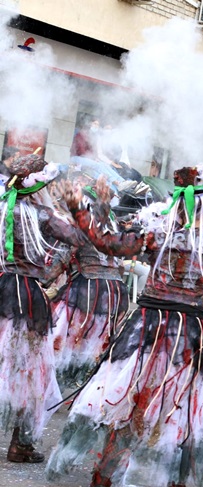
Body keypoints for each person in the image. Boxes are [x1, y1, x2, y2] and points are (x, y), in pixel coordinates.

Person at [46, 167, 203, 487]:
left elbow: (105, 242)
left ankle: (104, 477)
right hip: (181, 333)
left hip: (149, 327)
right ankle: (157, 478)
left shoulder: (158, 234)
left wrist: (78, 208)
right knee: (176, 408)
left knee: (132, 401)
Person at [0, 155, 85, 463]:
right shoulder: (42, 215)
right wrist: (78, 208)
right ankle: (20, 445)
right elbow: (80, 238)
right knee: (29, 371)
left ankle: (21, 444)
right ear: (39, 189)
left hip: (2, 286)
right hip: (24, 296)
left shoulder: (3, 207)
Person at [51, 185, 130, 391]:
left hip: (88, 290)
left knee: (66, 339)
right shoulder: (112, 227)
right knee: (97, 341)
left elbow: (62, 258)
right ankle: (87, 388)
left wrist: (42, 281)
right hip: (115, 292)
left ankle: (59, 386)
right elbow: (120, 265)